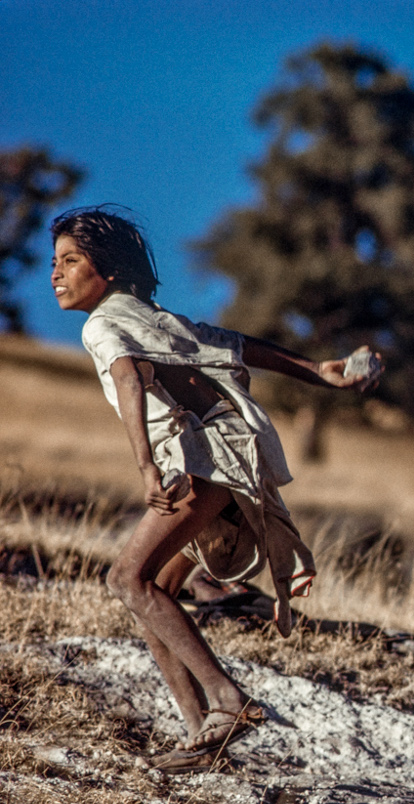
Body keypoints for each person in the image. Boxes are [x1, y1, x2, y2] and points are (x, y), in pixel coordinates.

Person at [50, 206, 379, 772]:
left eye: (70, 261)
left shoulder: (102, 325)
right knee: (156, 599)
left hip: (204, 461)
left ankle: (227, 703)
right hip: (236, 456)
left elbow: (130, 377)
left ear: (104, 270)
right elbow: (234, 344)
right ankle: (207, 740)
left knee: (126, 578)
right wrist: (318, 370)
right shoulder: (153, 314)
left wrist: (145, 464)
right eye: (53, 263)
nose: (55, 274)